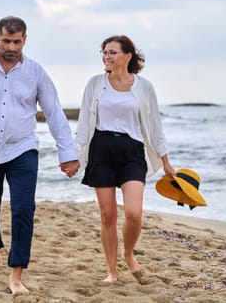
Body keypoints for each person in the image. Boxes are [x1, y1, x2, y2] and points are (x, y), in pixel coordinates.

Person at [0, 16, 80, 295]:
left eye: (17, 41)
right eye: (6, 40)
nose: (11, 46)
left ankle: (16, 274)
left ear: (24, 40)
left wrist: (66, 153)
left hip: (22, 149)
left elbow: (54, 112)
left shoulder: (35, 71)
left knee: (24, 210)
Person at [74, 35, 175, 284]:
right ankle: (112, 271)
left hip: (132, 152)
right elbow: (85, 124)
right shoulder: (95, 84)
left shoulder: (144, 86)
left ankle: (129, 255)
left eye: (112, 52)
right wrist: (74, 157)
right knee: (108, 216)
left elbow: (154, 126)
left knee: (133, 214)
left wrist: (165, 160)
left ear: (128, 56)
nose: (106, 57)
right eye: (104, 52)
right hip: (102, 150)